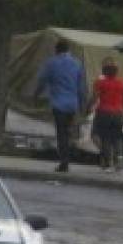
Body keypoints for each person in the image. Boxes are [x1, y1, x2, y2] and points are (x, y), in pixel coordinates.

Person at [34, 39, 86, 173]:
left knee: (61, 132)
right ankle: (67, 156)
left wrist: (36, 95)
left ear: (56, 50)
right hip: (72, 105)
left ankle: (64, 162)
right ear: (68, 50)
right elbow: (81, 88)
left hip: (59, 104)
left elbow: (42, 81)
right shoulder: (77, 64)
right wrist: (82, 106)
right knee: (68, 132)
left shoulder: (51, 63)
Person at [91, 57, 123, 172]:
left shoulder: (100, 82)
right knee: (117, 138)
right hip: (118, 113)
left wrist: (88, 107)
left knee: (105, 138)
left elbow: (95, 97)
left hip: (104, 113)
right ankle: (120, 159)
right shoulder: (122, 83)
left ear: (105, 71)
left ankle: (108, 163)